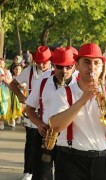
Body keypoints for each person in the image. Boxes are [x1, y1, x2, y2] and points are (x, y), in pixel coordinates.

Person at [48, 43, 106, 180]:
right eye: (86, 62)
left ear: (102, 67)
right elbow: (56, 125)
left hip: (102, 161)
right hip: (70, 161)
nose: (92, 67)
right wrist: (82, 100)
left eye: (96, 63)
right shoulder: (63, 93)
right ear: (77, 65)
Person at [25, 47, 77, 180]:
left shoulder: (78, 85)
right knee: (42, 176)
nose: (64, 71)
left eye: (68, 67)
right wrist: (39, 124)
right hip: (45, 135)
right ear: (53, 65)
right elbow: (29, 108)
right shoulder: (43, 82)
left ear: (74, 66)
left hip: (69, 139)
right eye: (60, 67)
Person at [9, 46, 53, 180]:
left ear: (50, 60)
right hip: (32, 115)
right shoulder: (29, 71)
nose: (41, 64)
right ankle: (28, 171)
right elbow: (12, 84)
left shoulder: (55, 71)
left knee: (48, 146)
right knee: (31, 144)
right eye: (38, 61)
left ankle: (44, 173)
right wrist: (21, 98)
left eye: (44, 62)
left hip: (49, 115)